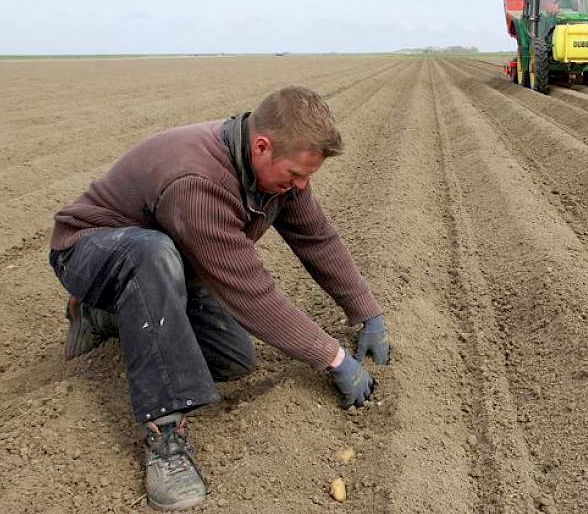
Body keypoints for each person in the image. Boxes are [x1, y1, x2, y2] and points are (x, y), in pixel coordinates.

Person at [48, 85, 390, 510]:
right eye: (296, 174)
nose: (301, 186)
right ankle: (165, 436)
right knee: (150, 252)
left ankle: (104, 317)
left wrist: (366, 312)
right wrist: (332, 356)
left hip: (168, 264)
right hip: (90, 249)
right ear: (262, 146)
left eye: (308, 177)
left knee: (234, 360)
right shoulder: (197, 182)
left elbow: (317, 239)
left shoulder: (277, 178)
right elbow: (252, 294)